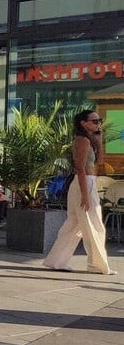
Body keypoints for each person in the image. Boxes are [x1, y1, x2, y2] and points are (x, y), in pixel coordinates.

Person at [44, 110, 116, 275]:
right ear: (83, 123)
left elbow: (99, 162)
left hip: (86, 183)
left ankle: (57, 260)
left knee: (73, 225)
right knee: (95, 225)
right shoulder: (82, 140)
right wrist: (85, 195)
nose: (98, 123)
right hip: (84, 184)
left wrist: (99, 140)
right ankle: (97, 265)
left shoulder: (89, 140)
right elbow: (80, 169)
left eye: (99, 120)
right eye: (95, 121)